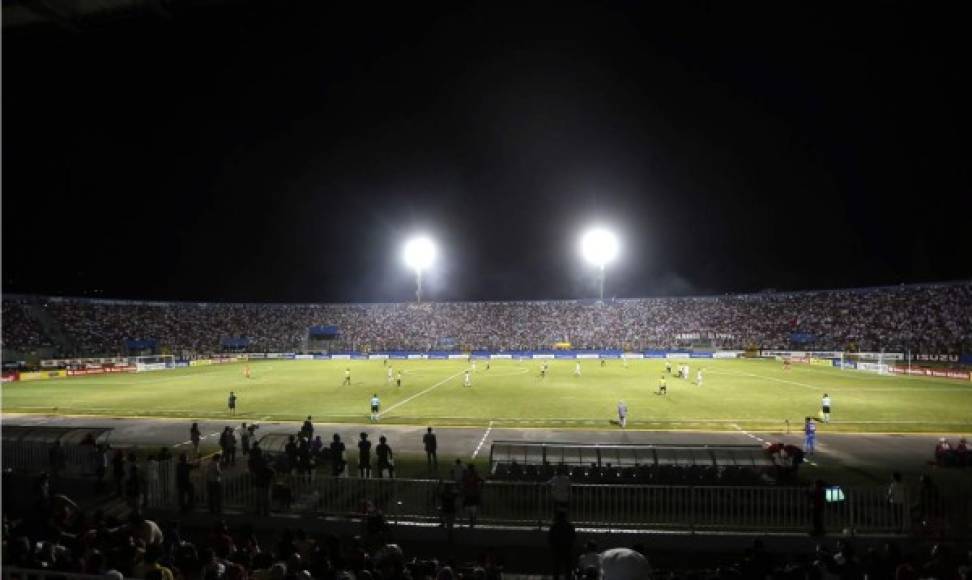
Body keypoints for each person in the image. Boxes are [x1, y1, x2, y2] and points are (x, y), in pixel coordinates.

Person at [548, 510, 576, 580]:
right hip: (567, 549)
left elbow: (550, 538)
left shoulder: (554, 526)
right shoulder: (570, 526)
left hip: (557, 550)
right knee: (568, 569)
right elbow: (573, 537)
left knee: (556, 569)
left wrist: (553, 547)